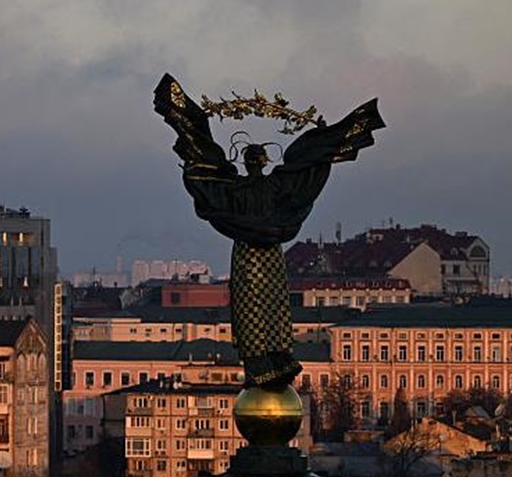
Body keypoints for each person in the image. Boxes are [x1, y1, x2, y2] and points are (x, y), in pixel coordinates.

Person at [154, 73, 384, 387]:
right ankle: (274, 357)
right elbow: (308, 172)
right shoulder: (279, 187)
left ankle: (261, 361)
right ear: (263, 161)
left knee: (252, 304)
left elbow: (204, 174)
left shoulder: (231, 189)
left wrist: (193, 137)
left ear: (247, 162)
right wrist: (321, 143)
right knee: (272, 302)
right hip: (270, 254)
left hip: (248, 255)